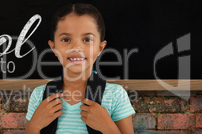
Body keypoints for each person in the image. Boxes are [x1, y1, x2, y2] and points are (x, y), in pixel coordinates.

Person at [25, 3, 135, 134]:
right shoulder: (39, 96)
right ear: (53, 48)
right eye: (66, 39)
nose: (76, 47)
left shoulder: (115, 95)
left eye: (87, 39)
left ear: (100, 48)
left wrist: (108, 128)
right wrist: (34, 127)